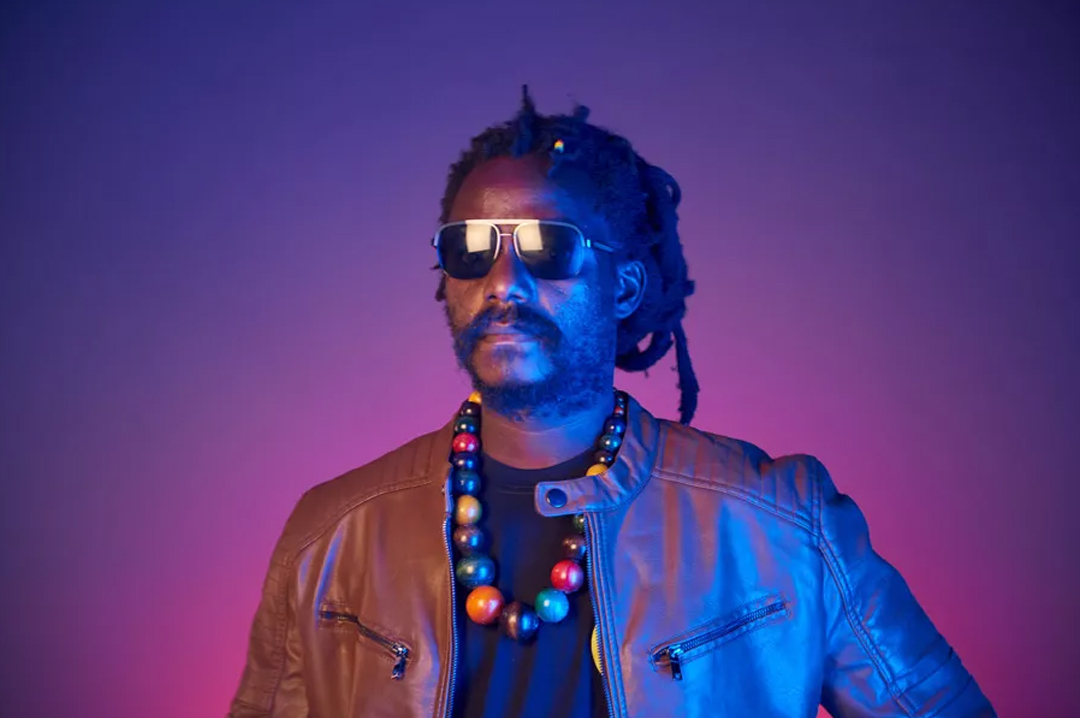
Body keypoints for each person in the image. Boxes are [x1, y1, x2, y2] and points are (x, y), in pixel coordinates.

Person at [228, 88, 995, 718]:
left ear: (623, 286)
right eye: (471, 248)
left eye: (548, 247)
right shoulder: (330, 538)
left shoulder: (783, 524)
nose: (503, 283)